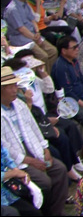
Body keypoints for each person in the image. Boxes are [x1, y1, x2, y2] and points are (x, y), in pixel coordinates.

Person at [1, 66, 68, 216]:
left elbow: (33, 127)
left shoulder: (19, 104)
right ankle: (44, 212)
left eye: (15, 85)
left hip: (33, 147)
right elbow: (5, 148)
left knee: (59, 169)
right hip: (17, 158)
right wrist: (30, 161)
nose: (14, 90)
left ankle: (56, 211)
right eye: (10, 87)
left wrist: (45, 148)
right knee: (44, 182)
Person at [4, 0, 58, 73]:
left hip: (33, 35)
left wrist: (37, 32)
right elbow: (21, 29)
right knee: (43, 56)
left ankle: (50, 75)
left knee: (53, 51)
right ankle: (44, 79)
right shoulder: (12, 9)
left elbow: (33, 20)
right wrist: (34, 37)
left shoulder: (26, 4)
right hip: (21, 39)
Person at [1, 146, 43, 216]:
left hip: (8, 193)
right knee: (12, 213)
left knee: (34, 212)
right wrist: (15, 173)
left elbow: (5, 156)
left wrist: (16, 170)